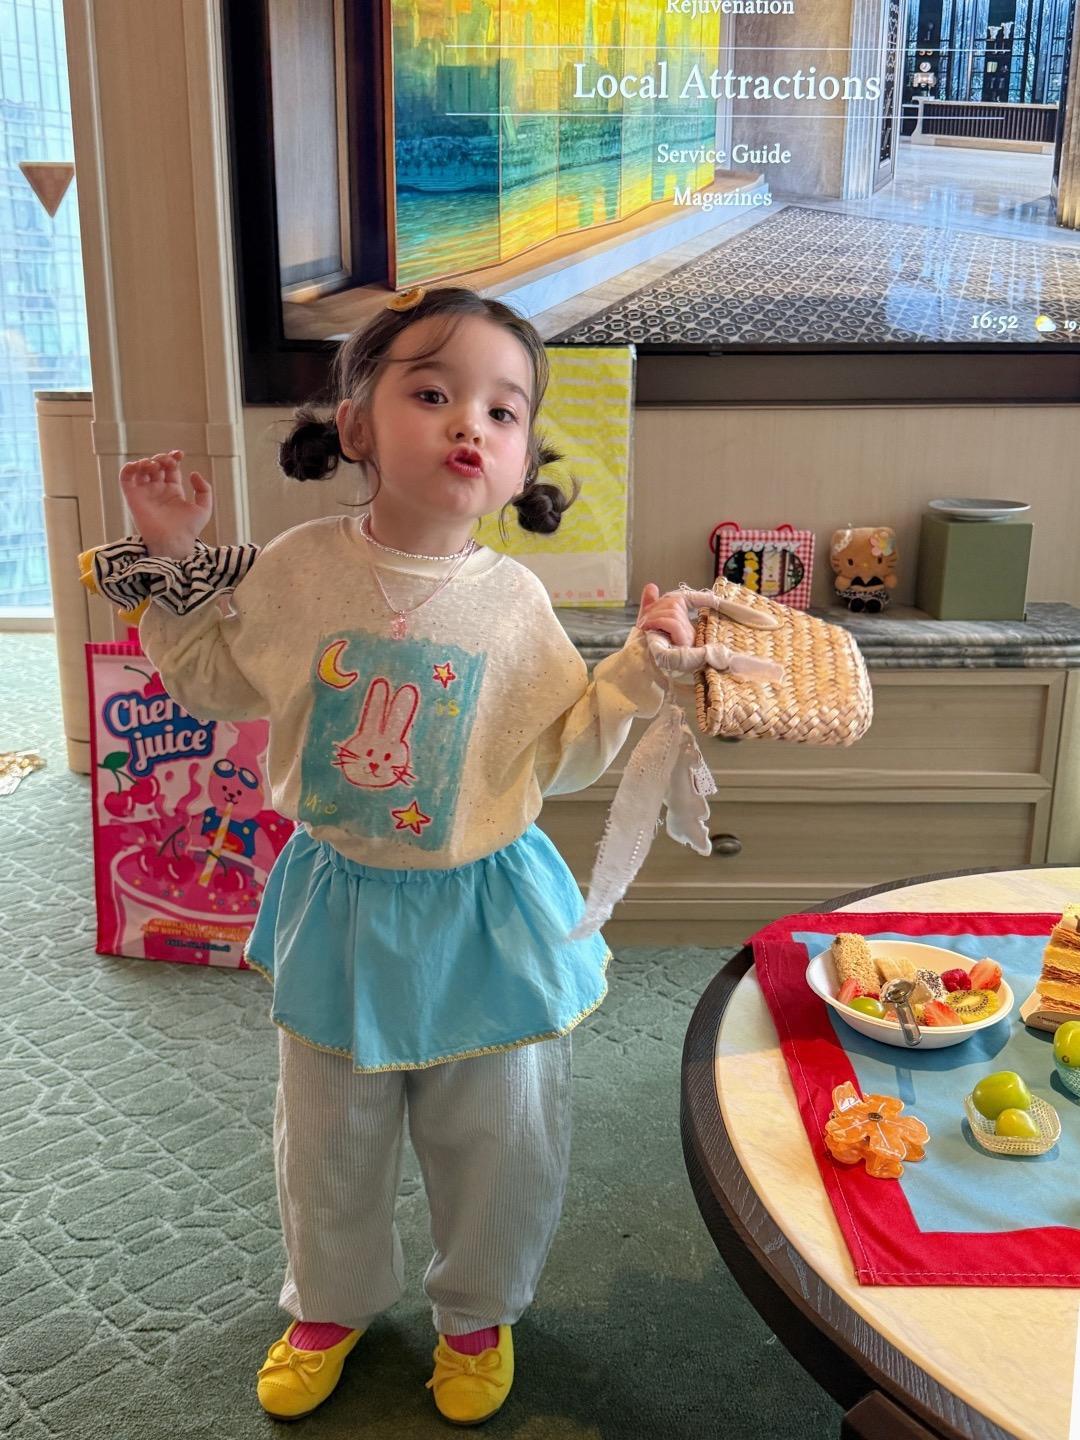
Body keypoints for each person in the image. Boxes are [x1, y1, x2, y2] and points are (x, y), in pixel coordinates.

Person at [80, 285, 697, 1426]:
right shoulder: (295, 568)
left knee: (500, 1137)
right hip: (343, 904)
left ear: (523, 462)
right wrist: (171, 560)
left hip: (483, 914)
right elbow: (214, 683)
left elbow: (562, 751)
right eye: (433, 392)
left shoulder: (515, 601)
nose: (471, 424)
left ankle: (479, 1311)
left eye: (503, 411)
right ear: (357, 422)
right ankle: (330, 1301)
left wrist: (636, 671)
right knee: (327, 1137)